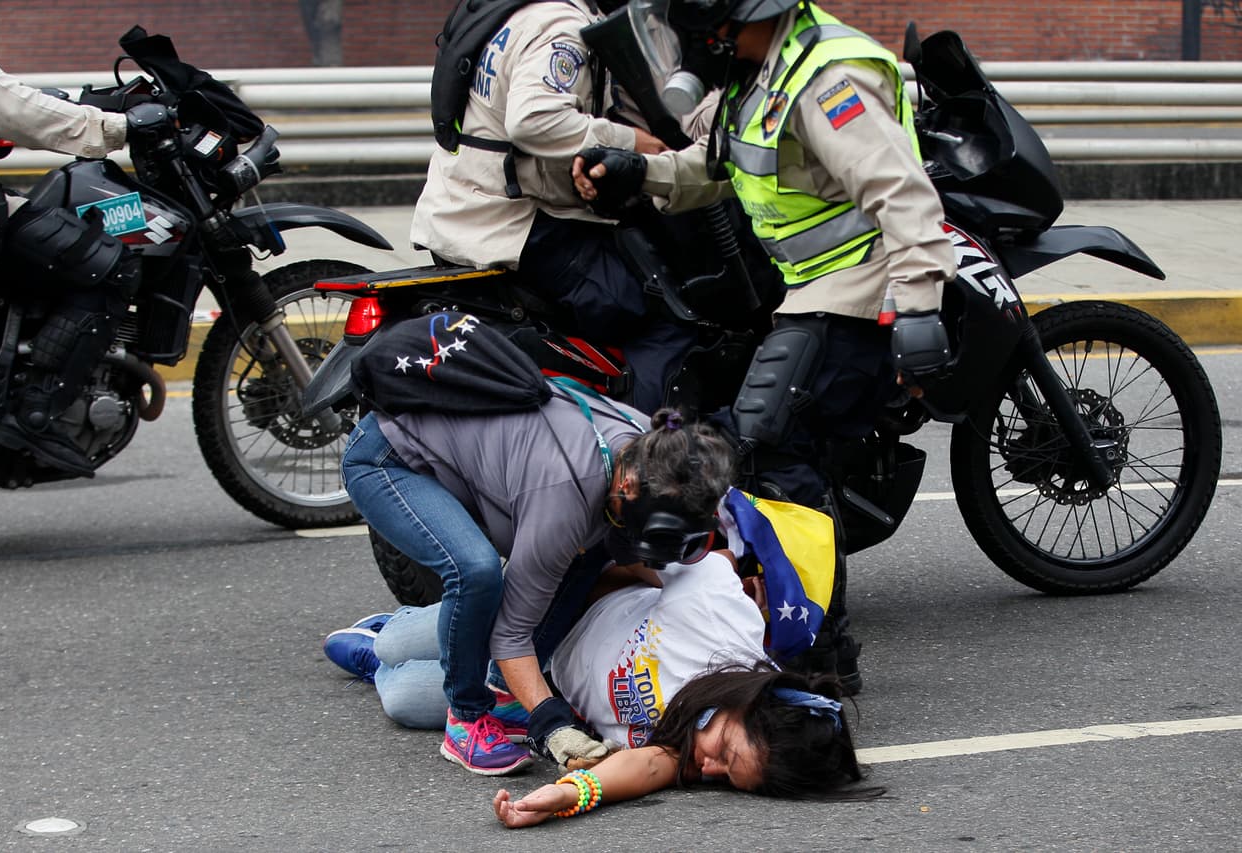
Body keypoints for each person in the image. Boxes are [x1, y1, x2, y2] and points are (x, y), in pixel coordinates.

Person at [571, 0, 960, 692]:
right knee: (779, 456)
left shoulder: (828, 78)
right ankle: (807, 637)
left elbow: (904, 195)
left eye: (699, 20)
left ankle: (819, 654)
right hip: (806, 293)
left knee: (775, 453)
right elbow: (714, 169)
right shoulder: (757, 74)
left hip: (860, 295)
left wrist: (921, 310)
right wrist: (638, 172)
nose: (693, 39)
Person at [324, 531, 876, 823]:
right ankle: (389, 633)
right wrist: (597, 577)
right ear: (751, 700)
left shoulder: (684, 747)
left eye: (730, 780)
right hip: (545, 612)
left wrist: (562, 795)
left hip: (541, 685)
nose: (709, 768)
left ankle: (379, 664)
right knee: (401, 643)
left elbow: (640, 767)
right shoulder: (722, 624)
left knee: (402, 696)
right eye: (727, 754)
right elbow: (662, 549)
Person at [339, 392, 734, 776]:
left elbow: (633, 553)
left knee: (589, 546)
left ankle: (475, 686)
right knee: (476, 572)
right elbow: (511, 635)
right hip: (389, 460)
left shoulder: (655, 449)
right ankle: (465, 720)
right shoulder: (566, 498)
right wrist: (552, 723)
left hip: (521, 500)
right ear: (628, 485)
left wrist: (706, 575)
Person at [412, 0, 695, 413]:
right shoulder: (562, 26)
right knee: (662, 315)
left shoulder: (510, 10)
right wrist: (631, 142)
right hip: (514, 224)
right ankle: (646, 455)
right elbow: (533, 121)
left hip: (459, 210)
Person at [0, 0, 142, 475]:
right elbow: (8, 109)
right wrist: (119, 127)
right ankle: (33, 416)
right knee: (107, 264)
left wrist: (75, 100)